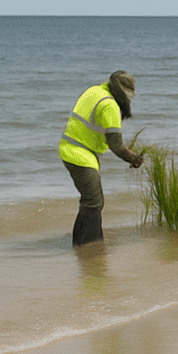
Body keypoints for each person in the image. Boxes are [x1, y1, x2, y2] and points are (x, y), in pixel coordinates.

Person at [58, 70, 143, 246]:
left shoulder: (95, 91)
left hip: (70, 148)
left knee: (91, 202)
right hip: (80, 155)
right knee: (93, 202)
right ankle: (89, 246)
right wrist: (135, 158)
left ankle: (82, 244)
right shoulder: (109, 105)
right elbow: (117, 146)